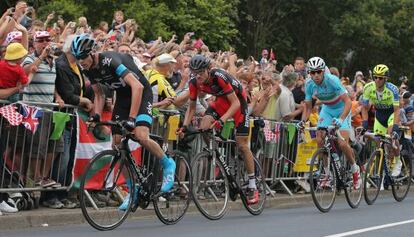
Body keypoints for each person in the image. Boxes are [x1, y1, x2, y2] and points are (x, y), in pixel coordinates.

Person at [70, 34, 176, 210]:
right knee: (117, 146)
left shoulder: (109, 60)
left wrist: (132, 119)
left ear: (92, 52)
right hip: (123, 98)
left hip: (141, 94)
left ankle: (167, 163)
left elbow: (138, 86)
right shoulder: (88, 68)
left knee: (141, 135)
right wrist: (96, 116)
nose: (81, 62)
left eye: (83, 57)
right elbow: (99, 94)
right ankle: (133, 190)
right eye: (78, 59)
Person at [178, 54, 259, 204]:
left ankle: (253, 185)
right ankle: (214, 151)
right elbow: (192, 107)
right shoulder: (194, 82)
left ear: (208, 70)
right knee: (204, 126)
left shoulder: (219, 76)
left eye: (201, 72)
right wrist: (184, 126)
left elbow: (235, 104)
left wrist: (221, 120)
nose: (198, 76)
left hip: (238, 105)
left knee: (242, 144)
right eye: (194, 73)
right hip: (221, 103)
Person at [301, 56, 360, 189]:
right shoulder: (309, 84)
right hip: (327, 110)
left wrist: (341, 119)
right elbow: (308, 107)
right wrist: (302, 122)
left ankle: (355, 169)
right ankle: (327, 174)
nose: (316, 75)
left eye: (318, 72)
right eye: (312, 72)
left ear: (323, 71)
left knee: (342, 143)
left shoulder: (332, 80)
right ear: (309, 73)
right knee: (320, 139)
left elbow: (348, 102)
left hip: (342, 109)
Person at [361, 64, 402, 177]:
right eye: (375, 77)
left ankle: (398, 161)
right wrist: (364, 123)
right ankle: (383, 168)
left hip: (391, 114)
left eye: (380, 78)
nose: (377, 80)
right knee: (379, 143)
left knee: (390, 138)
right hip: (379, 114)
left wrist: (395, 127)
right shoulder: (368, 88)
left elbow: (397, 110)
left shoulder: (393, 89)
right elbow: (364, 108)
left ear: (386, 78)